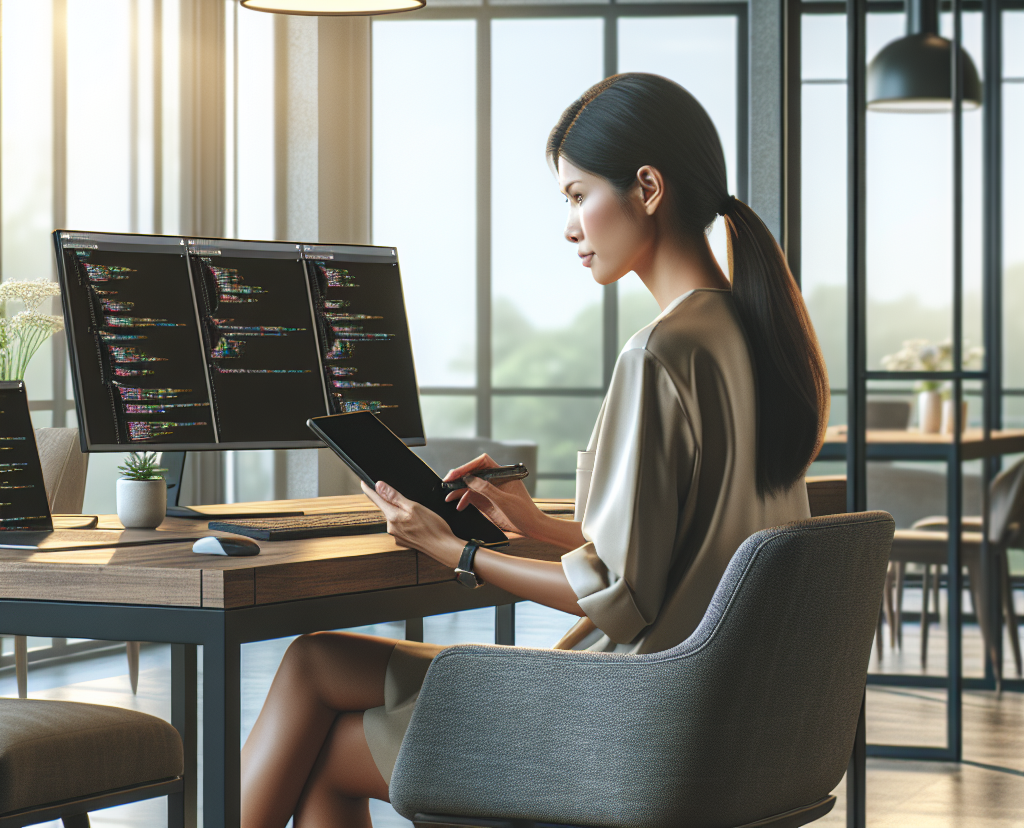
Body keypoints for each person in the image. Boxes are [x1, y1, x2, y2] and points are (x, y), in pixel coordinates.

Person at [240, 72, 829, 828]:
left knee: (323, 736)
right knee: (318, 660)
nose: (570, 225)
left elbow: (621, 597)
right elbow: (682, 556)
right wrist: (531, 525)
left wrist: (452, 550)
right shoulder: (751, 335)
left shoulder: (660, 354)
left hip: (630, 717)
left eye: (578, 195)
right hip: (711, 708)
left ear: (647, 187)